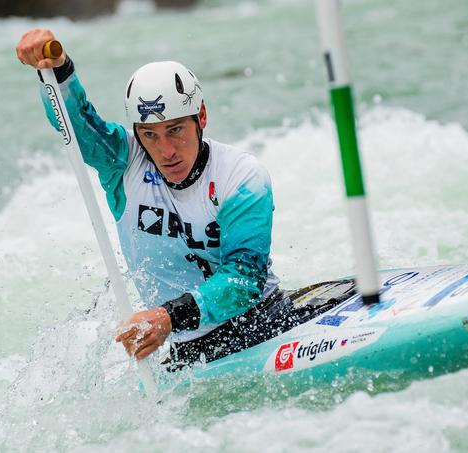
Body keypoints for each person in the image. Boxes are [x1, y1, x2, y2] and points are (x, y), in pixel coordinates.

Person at [16, 28, 282, 364]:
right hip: (182, 349)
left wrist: (168, 317)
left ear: (201, 116)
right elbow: (78, 126)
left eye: (175, 130)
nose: (166, 150)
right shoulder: (123, 163)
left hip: (263, 325)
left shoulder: (242, 177)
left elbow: (244, 278)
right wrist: (57, 70)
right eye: (150, 135)